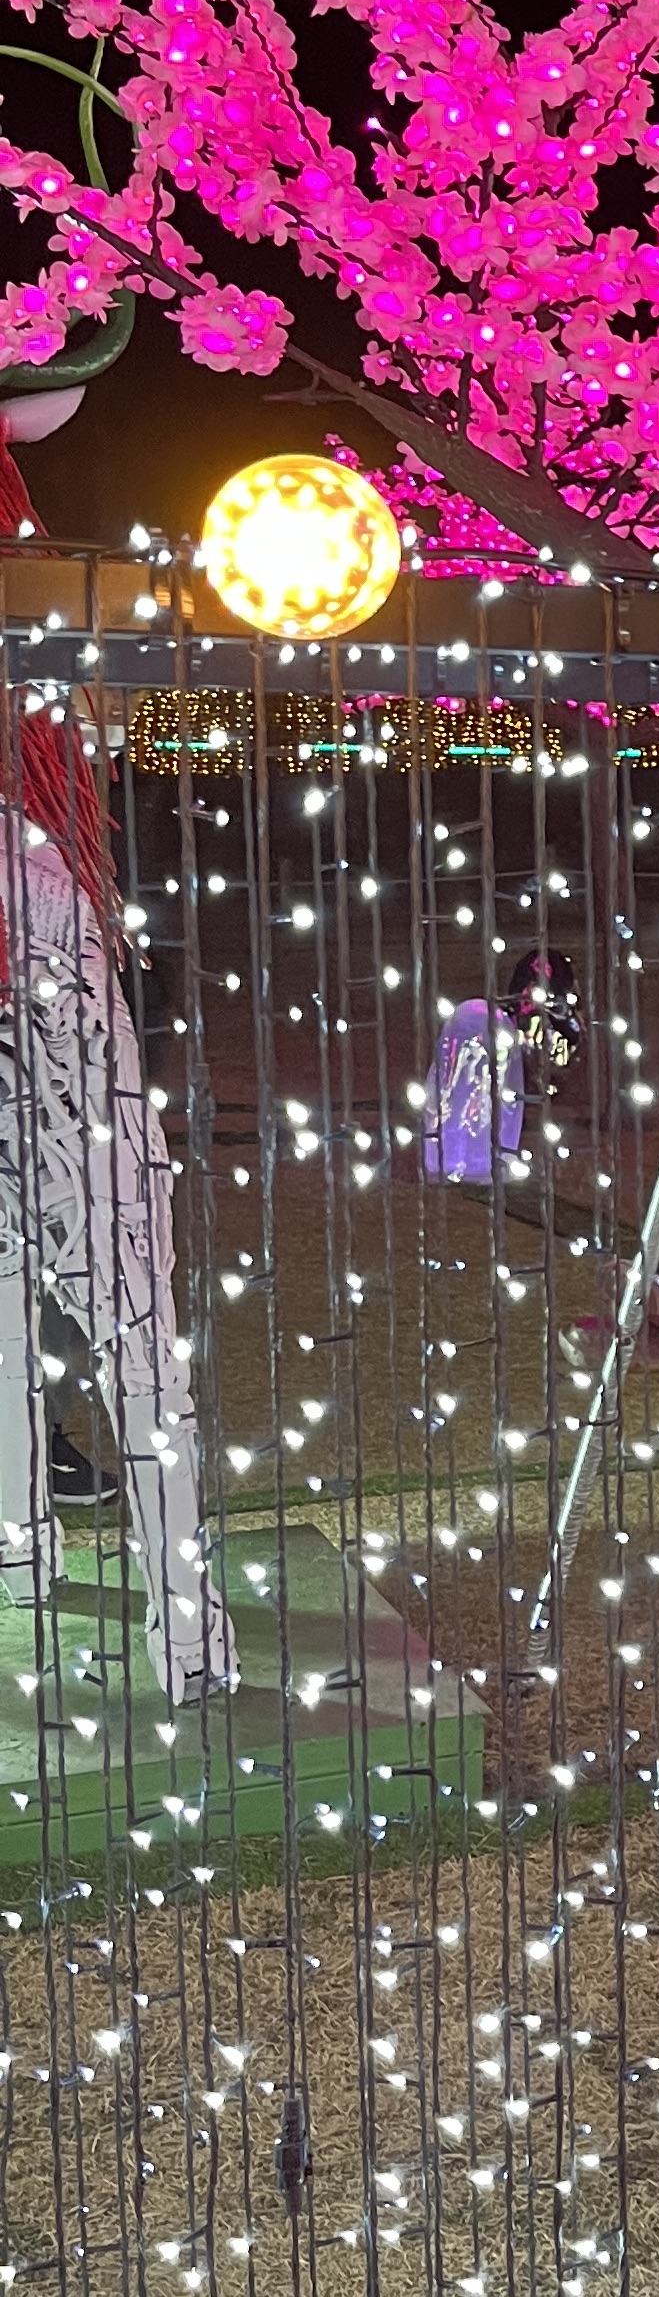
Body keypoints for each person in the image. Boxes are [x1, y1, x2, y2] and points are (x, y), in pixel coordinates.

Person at [0, 399, 234, 1702]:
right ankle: (53, 1561)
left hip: (43, 931)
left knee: (125, 1284)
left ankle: (177, 1613)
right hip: (46, 921)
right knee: (110, 1287)